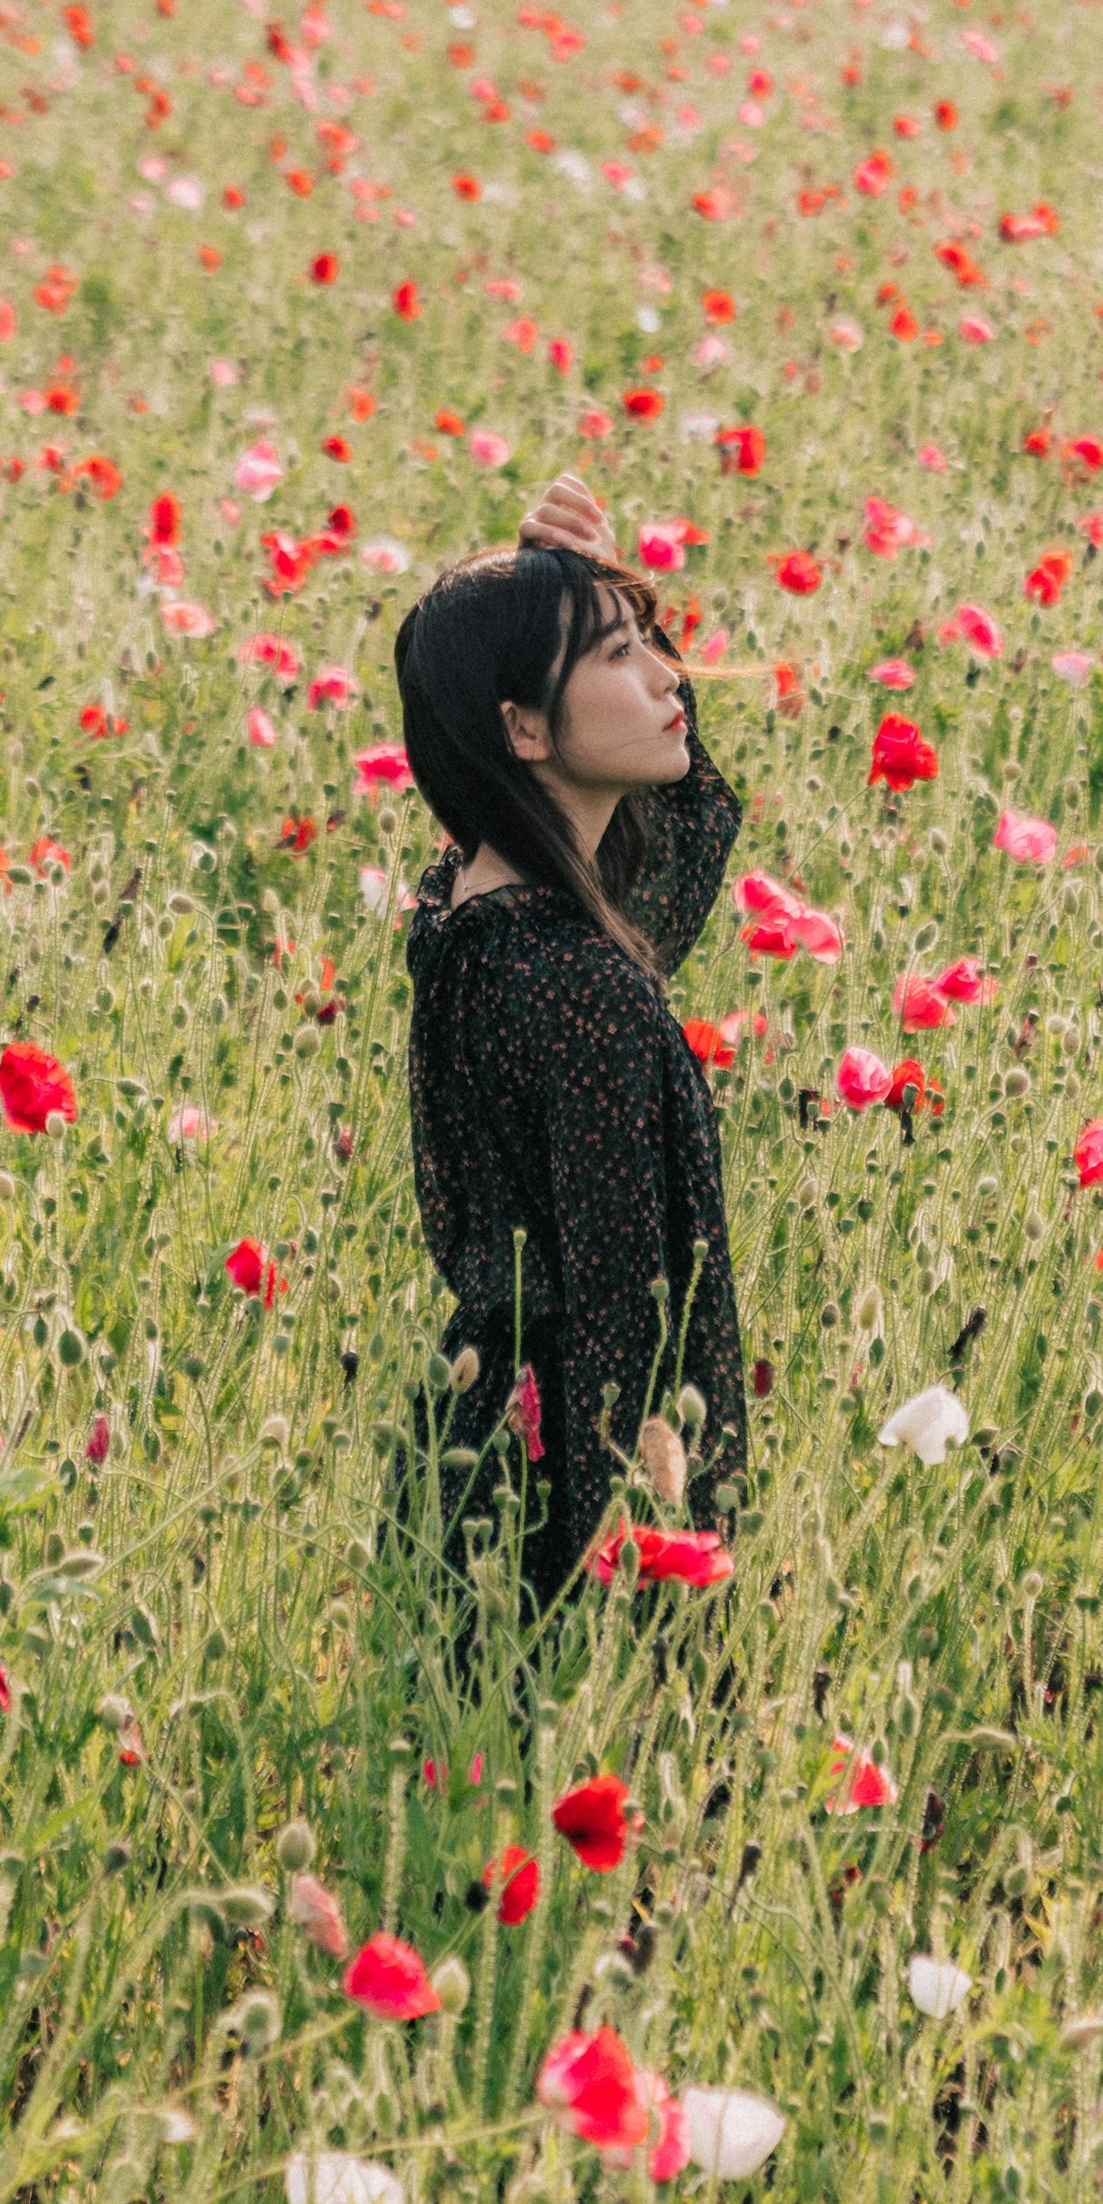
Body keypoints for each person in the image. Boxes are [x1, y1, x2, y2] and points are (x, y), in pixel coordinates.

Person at [388, 473, 747, 1618]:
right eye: (617, 657)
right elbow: (621, 1309)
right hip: (565, 1507)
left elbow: (681, 829)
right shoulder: (583, 989)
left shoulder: (464, 917)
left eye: (655, 643)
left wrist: (586, 588)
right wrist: (653, 1563)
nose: (667, 679)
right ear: (524, 728)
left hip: (477, 1455)